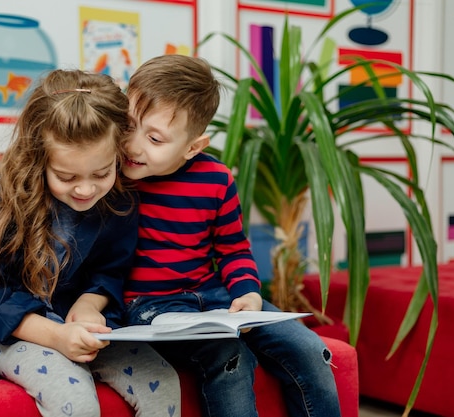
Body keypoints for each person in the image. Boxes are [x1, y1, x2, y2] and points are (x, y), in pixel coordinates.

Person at [0, 69, 180, 417]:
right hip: (14, 333)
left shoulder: (120, 202)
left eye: (101, 173)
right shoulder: (3, 196)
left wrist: (89, 305)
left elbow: (111, 269)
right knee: (78, 402)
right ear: (37, 157)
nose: (86, 189)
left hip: (87, 330)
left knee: (162, 383)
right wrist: (55, 337)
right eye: (66, 176)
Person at [121, 54, 342, 417]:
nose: (133, 145)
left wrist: (248, 292)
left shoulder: (217, 179)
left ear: (193, 147)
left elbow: (233, 248)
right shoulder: (109, 177)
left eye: (155, 138)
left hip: (213, 295)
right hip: (150, 304)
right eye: (129, 125)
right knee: (229, 356)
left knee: (309, 348)